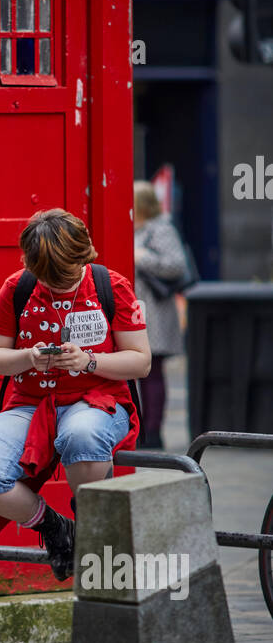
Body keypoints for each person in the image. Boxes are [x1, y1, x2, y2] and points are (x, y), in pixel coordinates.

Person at [0, 209, 151, 580]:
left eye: (63, 276)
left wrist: (89, 361)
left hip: (96, 400)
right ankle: (56, 528)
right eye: (46, 276)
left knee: (80, 434)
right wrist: (28, 357)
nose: (55, 284)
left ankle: (94, 535)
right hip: (30, 404)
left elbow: (141, 361)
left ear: (84, 256)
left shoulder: (111, 286)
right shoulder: (17, 287)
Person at [133, 181, 187, 449]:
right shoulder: (135, 227)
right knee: (139, 372)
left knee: (152, 370)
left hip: (155, 312)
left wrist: (142, 258)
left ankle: (153, 433)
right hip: (137, 309)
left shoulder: (161, 229)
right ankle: (141, 430)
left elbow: (176, 266)